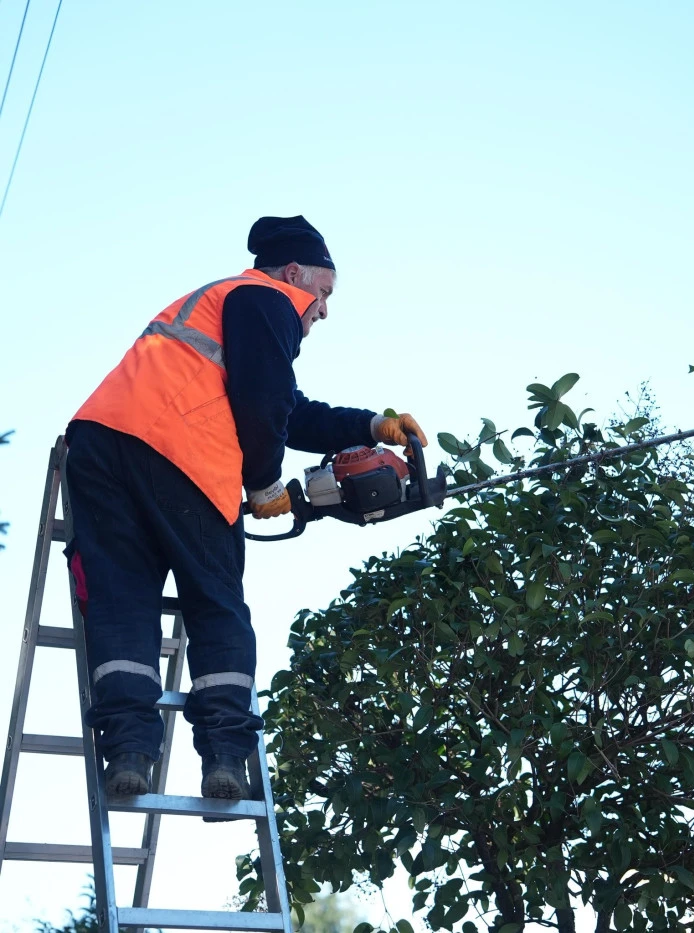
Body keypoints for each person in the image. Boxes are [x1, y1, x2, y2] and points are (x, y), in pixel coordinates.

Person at [64, 215, 427, 802]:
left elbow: (285, 407)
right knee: (216, 605)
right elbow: (264, 405)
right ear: (294, 273)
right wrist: (262, 484)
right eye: (324, 293)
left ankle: (129, 751)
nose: (323, 311)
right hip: (179, 452)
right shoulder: (266, 298)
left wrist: (369, 425)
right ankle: (226, 757)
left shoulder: (219, 302)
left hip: (101, 443)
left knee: (121, 600)